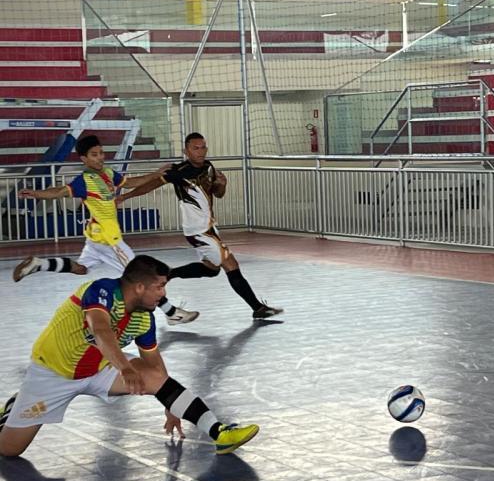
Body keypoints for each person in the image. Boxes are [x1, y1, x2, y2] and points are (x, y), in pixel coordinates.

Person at [0, 254, 259, 457]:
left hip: (100, 369)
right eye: (159, 287)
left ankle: (220, 433)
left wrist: (171, 405)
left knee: (153, 376)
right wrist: (124, 368)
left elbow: (156, 368)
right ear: (139, 287)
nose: (163, 294)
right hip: (52, 374)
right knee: (9, 450)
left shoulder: (144, 319)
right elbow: (100, 330)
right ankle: (15, 405)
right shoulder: (101, 291)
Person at [12, 135, 198, 326]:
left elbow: (131, 182)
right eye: (94, 154)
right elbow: (59, 191)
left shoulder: (109, 174)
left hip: (96, 238)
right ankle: (172, 313)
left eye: (101, 153)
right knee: (141, 275)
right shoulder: (84, 181)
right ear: (84, 159)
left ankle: (39, 264)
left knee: (81, 269)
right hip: (110, 239)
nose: (100, 157)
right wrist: (36, 194)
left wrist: (156, 174)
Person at [117, 132, 282, 320]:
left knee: (211, 270)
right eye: (196, 148)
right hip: (198, 230)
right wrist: (125, 196)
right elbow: (150, 186)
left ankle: (170, 273)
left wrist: (223, 184)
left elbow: (218, 194)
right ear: (186, 150)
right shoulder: (178, 171)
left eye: (203, 147)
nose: (201, 151)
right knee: (231, 264)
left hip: (210, 227)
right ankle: (257, 308)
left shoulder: (209, 167)